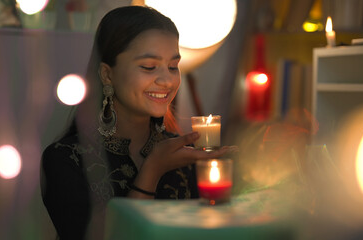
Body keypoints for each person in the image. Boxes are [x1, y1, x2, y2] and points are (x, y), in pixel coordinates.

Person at [40, 5, 236, 240]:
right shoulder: (65, 159)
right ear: (107, 74)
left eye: (173, 67)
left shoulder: (184, 155)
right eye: (149, 67)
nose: (167, 81)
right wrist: (152, 169)